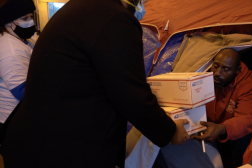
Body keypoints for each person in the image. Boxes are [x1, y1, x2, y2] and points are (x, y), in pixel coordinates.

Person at [1, 0, 190, 167]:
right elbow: (131, 95)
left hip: (33, 140)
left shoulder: (81, 8)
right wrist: (170, 131)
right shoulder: (114, 18)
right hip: (57, 150)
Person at [192, 48, 252, 168]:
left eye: (226, 69)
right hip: (211, 127)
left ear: (237, 70)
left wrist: (221, 128)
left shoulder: (248, 83)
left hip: (231, 134)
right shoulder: (204, 74)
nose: (217, 73)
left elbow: (246, 118)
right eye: (216, 66)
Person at [0, 0, 36, 129]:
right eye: (24, 18)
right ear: (9, 21)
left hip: (21, 113)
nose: (31, 21)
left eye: (31, 17)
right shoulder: (11, 50)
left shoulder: (23, 40)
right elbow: (22, 91)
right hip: (13, 118)